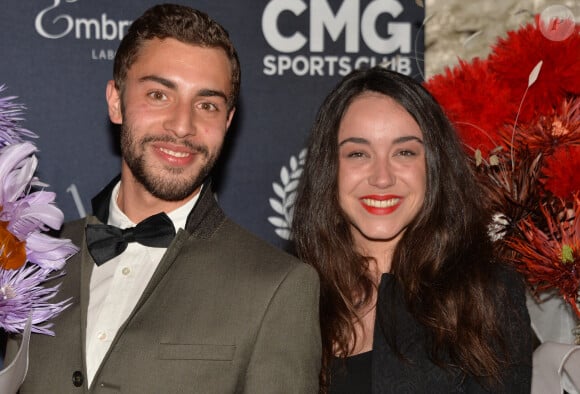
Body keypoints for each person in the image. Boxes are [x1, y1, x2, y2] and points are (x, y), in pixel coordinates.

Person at [8, 4, 321, 393]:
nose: (182, 125)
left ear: (227, 121)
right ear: (116, 101)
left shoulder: (278, 287)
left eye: (207, 105)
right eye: (159, 94)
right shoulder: (28, 265)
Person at [292, 66, 533, 393]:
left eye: (404, 152)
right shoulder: (289, 296)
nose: (382, 177)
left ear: (433, 166)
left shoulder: (486, 296)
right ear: (329, 168)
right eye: (358, 153)